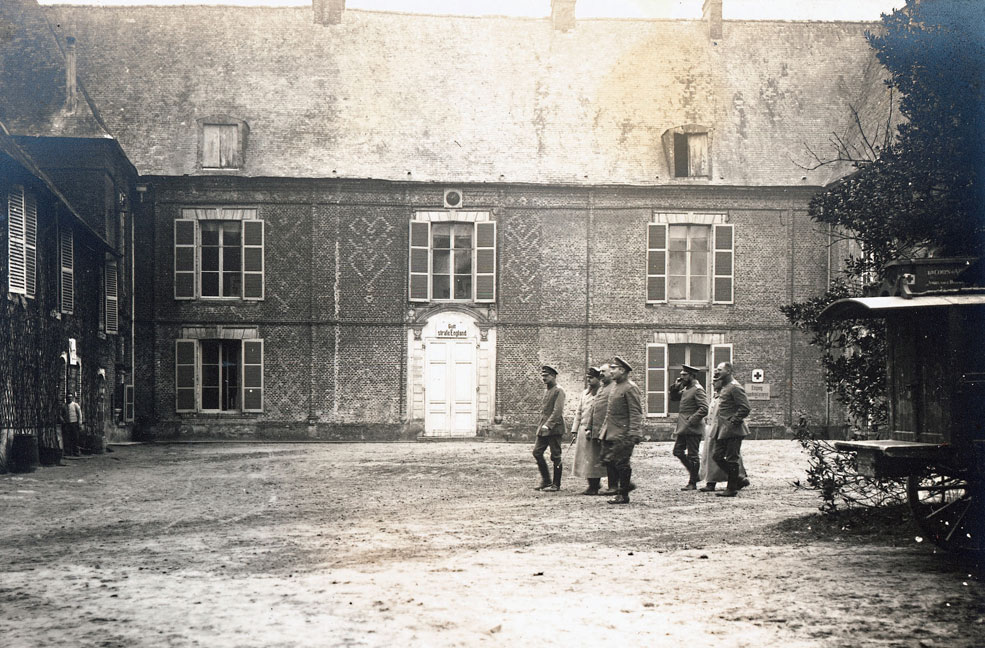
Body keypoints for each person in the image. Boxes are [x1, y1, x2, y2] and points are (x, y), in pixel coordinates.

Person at [598, 356, 643, 504]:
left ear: (622, 371)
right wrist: (603, 431)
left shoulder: (630, 388)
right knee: (608, 460)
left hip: (624, 434)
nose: (611, 372)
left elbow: (636, 412)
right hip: (611, 432)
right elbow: (610, 411)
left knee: (622, 463)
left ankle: (623, 494)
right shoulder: (615, 386)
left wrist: (633, 433)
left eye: (614, 369)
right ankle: (626, 485)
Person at [711, 361, 752, 497]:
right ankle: (738, 480)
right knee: (717, 456)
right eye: (716, 369)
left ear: (728, 371)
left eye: (720, 370)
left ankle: (731, 488)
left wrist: (733, 421)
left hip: (734, 429)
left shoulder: (735, 387)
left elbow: (745, 408)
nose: (716, 372)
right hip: (723, 429)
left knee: (732, 458)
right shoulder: (725, 387)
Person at [699, 379, 747, 492]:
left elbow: (742, 408)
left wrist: (731, 422)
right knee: (712, 455)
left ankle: (737, 480)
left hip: (723, 429)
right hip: (713, 429)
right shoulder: (716, 396)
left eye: (716, 381)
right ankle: (712, 481)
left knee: (730, 456)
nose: (713, 384)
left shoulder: (728, 396)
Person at [668, 364, 708, 490]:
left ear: (692, 376)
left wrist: (692, 420)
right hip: (684, 427)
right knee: (677, 451)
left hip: (692, 427)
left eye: (684, 375)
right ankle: (695, 475)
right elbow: (674, 398)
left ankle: (692, 482)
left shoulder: (697, 389)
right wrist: (675, 387)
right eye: (680, 375)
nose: (681, 377)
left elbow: (704, 408)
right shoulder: (686, 389)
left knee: (693, 455)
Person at [570, 367, 606, 495]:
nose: (589, 381)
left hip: (595, 431)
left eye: (591, 378)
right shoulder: (584, 393)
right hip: (582, 430)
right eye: (588, 378)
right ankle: (592, 483)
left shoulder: (602, 393)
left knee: (593, 459)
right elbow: (579, 412)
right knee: (585, 459)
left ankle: (594, 486)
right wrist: (574, 429)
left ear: (598, 379)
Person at [532, 365, 566, 492]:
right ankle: (546, 480)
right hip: (544, 428)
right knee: (537, 452)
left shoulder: (559, 390)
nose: (544, 378)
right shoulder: (547, 390)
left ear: (553, 376)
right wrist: (542, 426)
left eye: (546, 376)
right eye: (543, 376)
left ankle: (556, 484)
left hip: (554, 428)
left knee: (556, 456)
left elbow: (558, 411)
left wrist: (548, 425)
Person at [588, 363, 619, 495]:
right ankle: (595, 485)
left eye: (604, 372)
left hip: (608, 430)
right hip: (596, 430)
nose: (601, 374)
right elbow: (594, 409)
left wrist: (605, 429)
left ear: (611, 374)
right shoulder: (601, 388)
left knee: (611, 459)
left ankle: (613, 486)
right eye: (600, 371)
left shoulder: (614, 388)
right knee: (599, 458)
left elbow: (611, 411)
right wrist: (589, 427)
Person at [60, 393, 82, 457]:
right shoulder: (63, 406)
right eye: (68, 398)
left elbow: (79, 414)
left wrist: (79, 422)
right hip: (66, 424)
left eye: (70, 397)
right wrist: (62, 420)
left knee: (75, 438)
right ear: (66, 398)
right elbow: (60, 414)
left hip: (74, 423)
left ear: (72, 398)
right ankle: (67, 452)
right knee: (66, 438)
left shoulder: (75, 405)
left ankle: (76, 452)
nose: (69, 399)